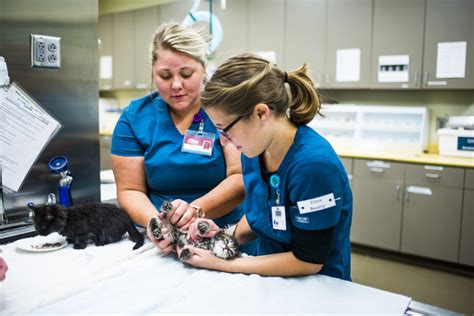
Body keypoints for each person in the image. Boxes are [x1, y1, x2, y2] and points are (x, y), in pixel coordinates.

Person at [180, 53, 353, 280]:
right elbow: (261, 216)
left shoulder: (313, 166)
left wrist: (223, 264)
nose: (223, 141)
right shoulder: (254, 150)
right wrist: (223, 237)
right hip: (270, 277)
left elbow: (308, 260)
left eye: (225, 129)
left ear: (261, 113)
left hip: (317, 286)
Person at [111, 22, 246, 252]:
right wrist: (156, 224)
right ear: (153, 72)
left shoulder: (225, 110)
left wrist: (196, 210)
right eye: (165, 75)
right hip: (161, 240)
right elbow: (130, 190)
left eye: (186, 74)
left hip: (226, 232)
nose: (176, 85)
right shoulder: (135, 117)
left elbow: (240, 177)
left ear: (203, 69)